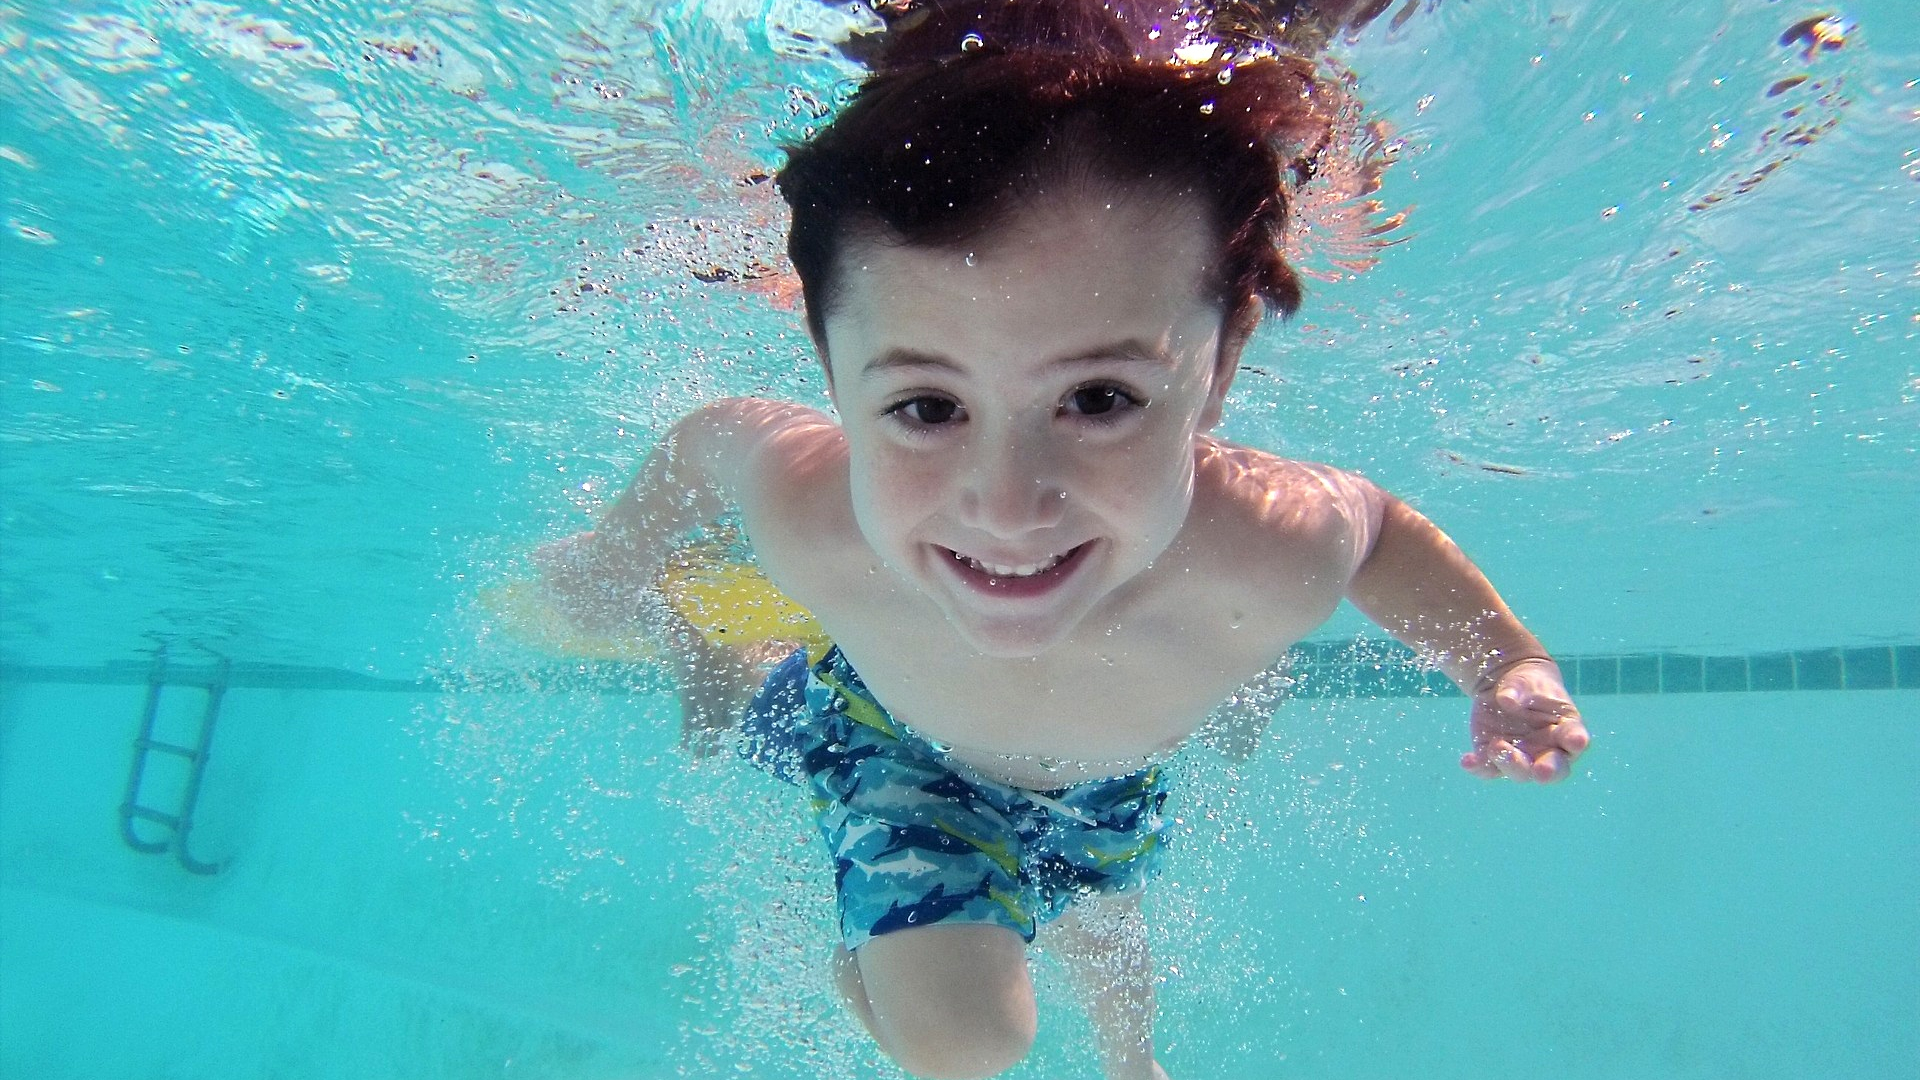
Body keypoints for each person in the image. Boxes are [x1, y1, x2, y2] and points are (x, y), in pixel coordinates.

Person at [535, 2, 1590, 1077]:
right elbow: (711, 440)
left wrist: (1505, 659)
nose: (1006, 508)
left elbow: (1376, 533)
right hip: (893, 749)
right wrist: (614, 557)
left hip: (1107, 779)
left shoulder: (1269, 544)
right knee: (969, 1046)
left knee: (1101, 914)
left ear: (1219, 367)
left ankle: (1132, 1064)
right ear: (832, 374)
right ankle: (722, 669)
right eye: (928, 409)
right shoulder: (815, 511)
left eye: (1098, 397)